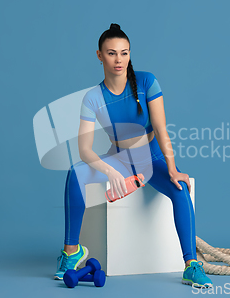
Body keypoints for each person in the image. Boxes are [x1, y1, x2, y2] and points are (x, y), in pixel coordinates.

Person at [54, 23, 213, 288]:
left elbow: (161, 129)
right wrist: (110, 171)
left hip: (152, 157)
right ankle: (71, 252)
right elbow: (84, 150)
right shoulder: (93, 98)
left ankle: (191, 266)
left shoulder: (148, 81)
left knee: (180, 189)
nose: (119, 60)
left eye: (124, 53)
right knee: (75, 172)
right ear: (99, 56)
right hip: (118, 160)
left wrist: (172, 168)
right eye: (112, 53)